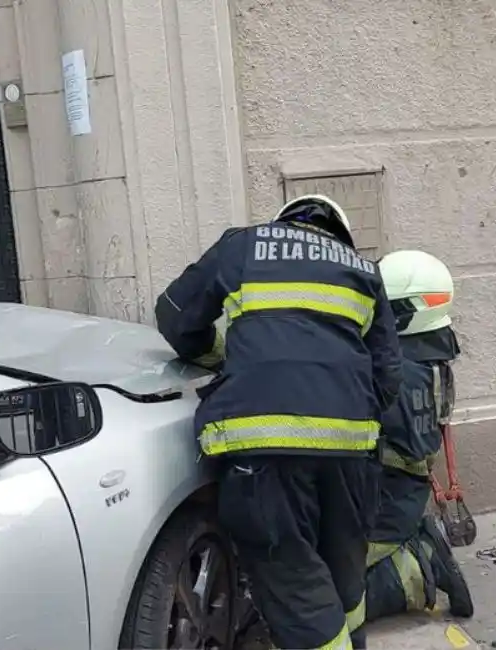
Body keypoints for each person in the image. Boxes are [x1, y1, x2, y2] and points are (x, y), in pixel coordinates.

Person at [155, 194, 404, 649]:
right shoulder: (364, 270)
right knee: (343, 572)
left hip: (264, 450)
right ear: (337, 236)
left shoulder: (243, 247)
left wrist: (219, 355)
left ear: (284, 223)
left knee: (293, 578)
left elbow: (174, 316)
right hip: (350, 454)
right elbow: (388, 377)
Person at [365, 249, 475, 621]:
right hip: (398, 496)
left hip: (383, 503)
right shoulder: (427, 356)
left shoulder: (395, 371)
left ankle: (421, 562)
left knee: (317, 604)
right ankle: (418, 543)